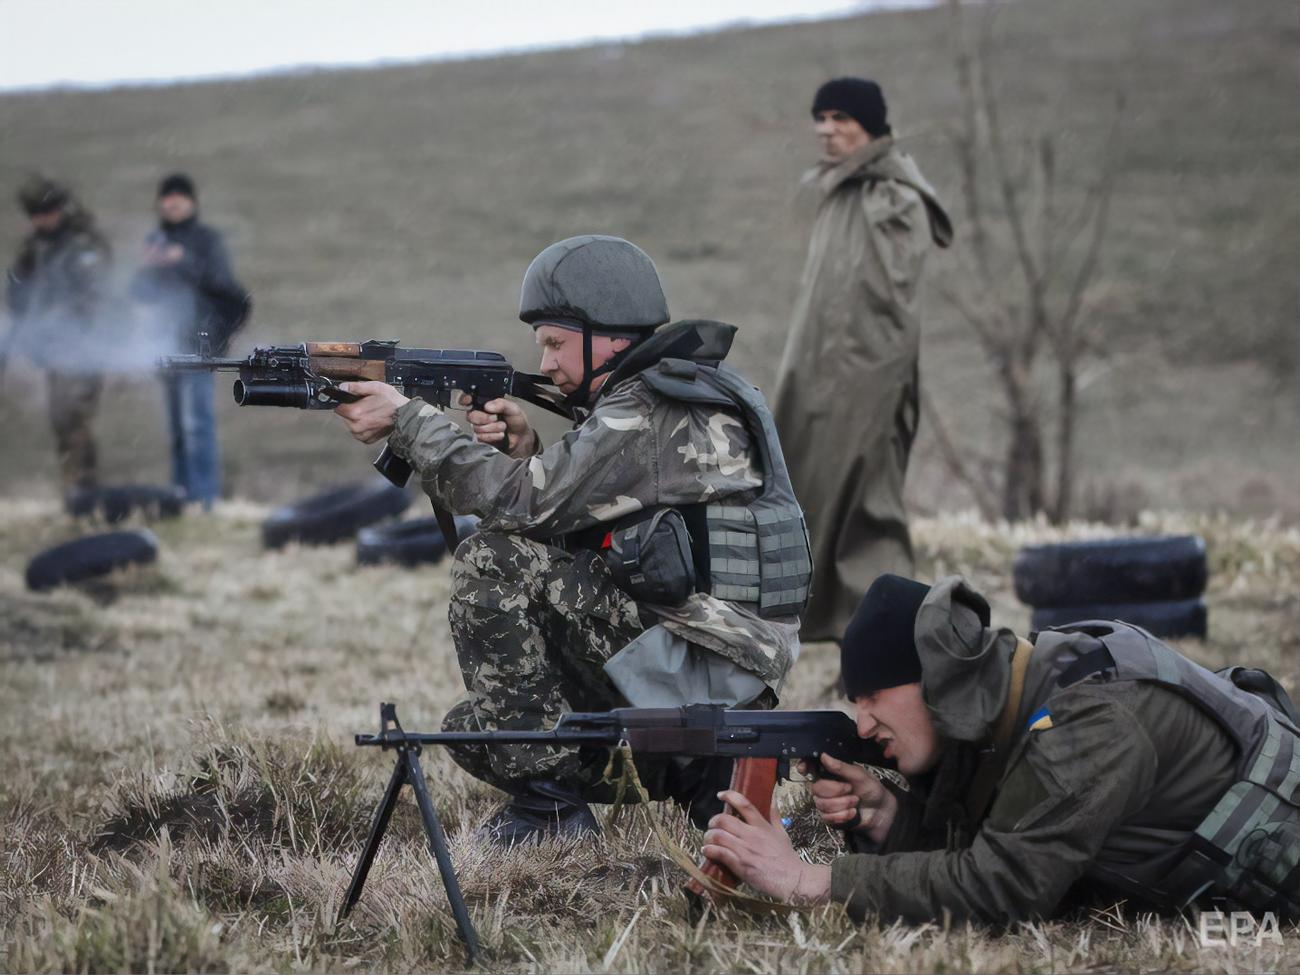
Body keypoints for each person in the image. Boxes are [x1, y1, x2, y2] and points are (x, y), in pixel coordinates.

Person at [334, 235, 812, 843]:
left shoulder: (648, 407)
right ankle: (690, 770)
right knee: (487, 730)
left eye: (556, 343)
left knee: (490, 559)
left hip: (703, 663)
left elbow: (524, 505)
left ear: (609, 335)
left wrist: (408, 421)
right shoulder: (679, 394)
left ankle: (552, 813)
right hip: (715, 664)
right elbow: (601, 520)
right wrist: (527, 451)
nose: (549, 363)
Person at [701, 574, 1300, 920]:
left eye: (874, 695)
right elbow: (1015, 834)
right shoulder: (1025, 689)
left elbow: (1006, 886)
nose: (862, 725)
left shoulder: (1088, 722)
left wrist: (813, 881)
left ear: (937, 677)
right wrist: (893, 821)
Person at [772, 78, 953, 643]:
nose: (826, 129)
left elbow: (889, 314)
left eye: (840, 118)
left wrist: (869, 390)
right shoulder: (841, 192)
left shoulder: (894, 199)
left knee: (866, 507)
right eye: (820, 117)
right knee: (803, 493)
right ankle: (838, 632)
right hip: (818, 377)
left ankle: (889, 644)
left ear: (869, 126)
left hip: (866, 385)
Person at [131, 173, 249, 508]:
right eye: (166, 199)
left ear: (191, 203)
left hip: (200, 346)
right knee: (178, 431)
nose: (171, 205)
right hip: (165, 347)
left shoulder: (206, 240)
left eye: (177, 199)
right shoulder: (155, 243)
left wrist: (182, 261)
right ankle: (180, 497)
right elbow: (139, 294)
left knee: (197, 425)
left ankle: (205, 499)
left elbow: (221, 284)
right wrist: (146, 267)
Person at [4, 175, 111, 495]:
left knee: (73, 419)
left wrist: (56, 319)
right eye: (35, 214)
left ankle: (84, 491)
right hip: (55, 349)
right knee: (61, 421)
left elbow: (92, 297)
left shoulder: (82, 244)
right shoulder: (36, 247)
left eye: (46, 211)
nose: (41, 220)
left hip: (84, 347)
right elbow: (17, 291)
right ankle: (74, 491)